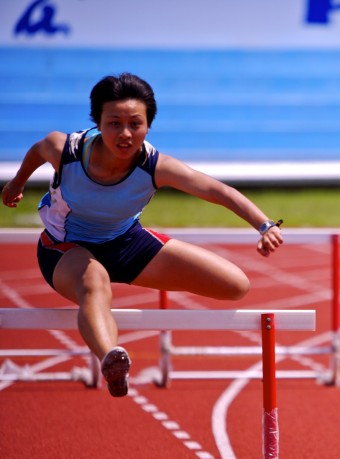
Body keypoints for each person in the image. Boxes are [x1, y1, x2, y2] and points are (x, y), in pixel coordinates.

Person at [2, 73, 285, 398]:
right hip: (64, 248)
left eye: (135, 123)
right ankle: (111, 358)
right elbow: (38, 150)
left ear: (148, 124)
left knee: (235, 285)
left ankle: (111, 319)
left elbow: (215, 190)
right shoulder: (65, 150)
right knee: (94, 283)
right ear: (97, 122)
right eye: (114, 123)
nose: (125, 134)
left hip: (125, 244)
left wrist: (265, 225)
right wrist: (17, 183)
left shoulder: (155, 167)